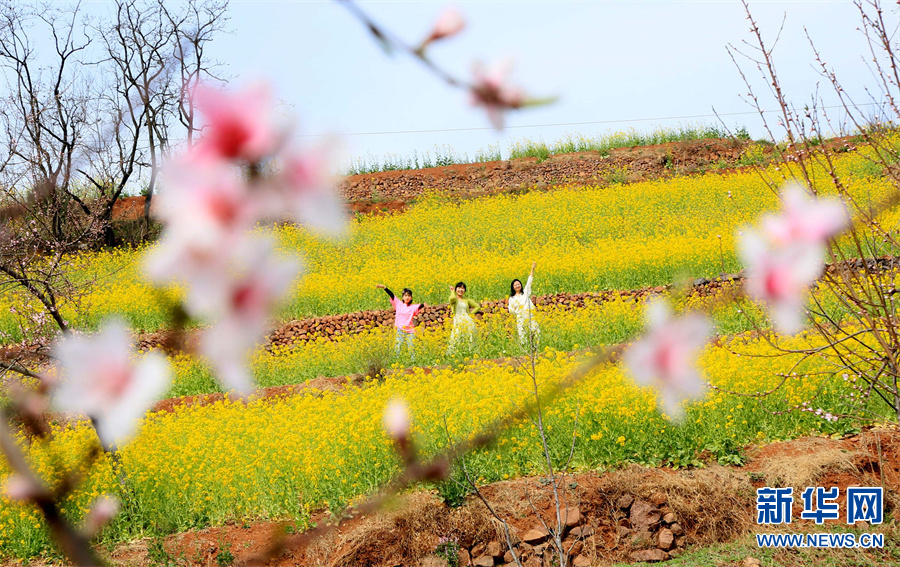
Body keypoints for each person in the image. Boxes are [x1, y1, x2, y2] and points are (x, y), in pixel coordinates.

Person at [376, 284, 425, 359]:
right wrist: (384, 288)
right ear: (402, 297)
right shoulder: (399, 304)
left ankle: (413, 363)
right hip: (400, 329)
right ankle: (396, 361)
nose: (407, 297)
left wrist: (424, 304)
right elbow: (392, 295)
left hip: (410, 331)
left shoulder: (413, 307)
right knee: (397, 348)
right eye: (405, 295)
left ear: (411, 297)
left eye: (409, 296)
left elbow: (420, 306)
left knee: (411, 349)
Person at [509, 262, 540, 349]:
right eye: (515, 285)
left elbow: (529, 281)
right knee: (522, 334)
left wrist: (532, 269)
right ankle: (525, 349)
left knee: (536, 331)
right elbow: (511, 310)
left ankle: (536, 347)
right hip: (520, 318)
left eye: (518, 284)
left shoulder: (525, 293)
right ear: (513, 287)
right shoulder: (512, 299)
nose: (517, 286)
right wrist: (517, 312)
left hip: (529, 315)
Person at [447, 281, 480, 354]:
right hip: (457, 320)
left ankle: (470, 353)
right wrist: (452, 291)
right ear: (456, 289)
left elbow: (477, 307)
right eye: (459, 288)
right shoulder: (454, 299)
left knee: (469, 337)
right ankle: (455, 354)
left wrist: (470, 314)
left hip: (467, 320)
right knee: (456, 337)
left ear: (465, 290)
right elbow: (451, 298)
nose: (461, 290)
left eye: (463, 288)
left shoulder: (467, 300)